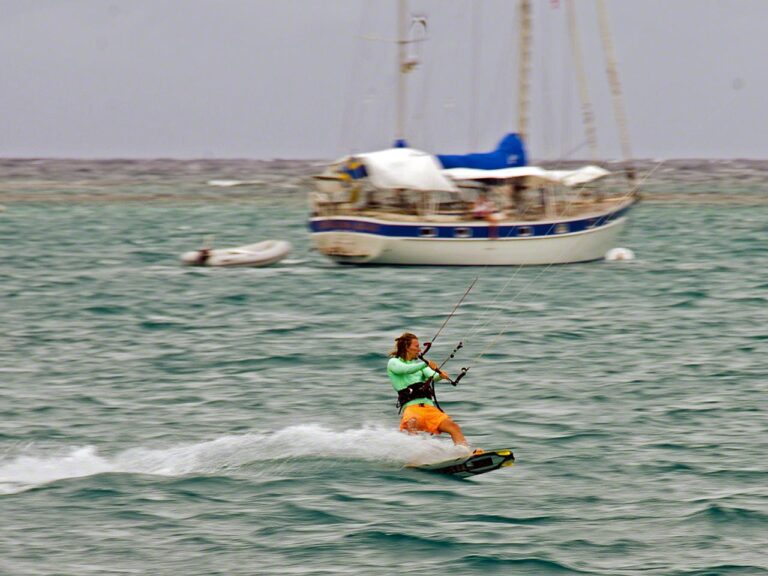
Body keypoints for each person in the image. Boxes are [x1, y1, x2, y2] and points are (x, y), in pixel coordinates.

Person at [387, 332, 481, 453]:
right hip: (412, 409)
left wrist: (440, 376)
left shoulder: (419, 366)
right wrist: (425, 363)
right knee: (413, 433)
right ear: (406, 347)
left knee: (453, 427)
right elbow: (404, 370)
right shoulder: (394, 362)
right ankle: (414, 460)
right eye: (416, 346)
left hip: (429, 409)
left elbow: (432, 375)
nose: (419, 349)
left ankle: (465, 454)